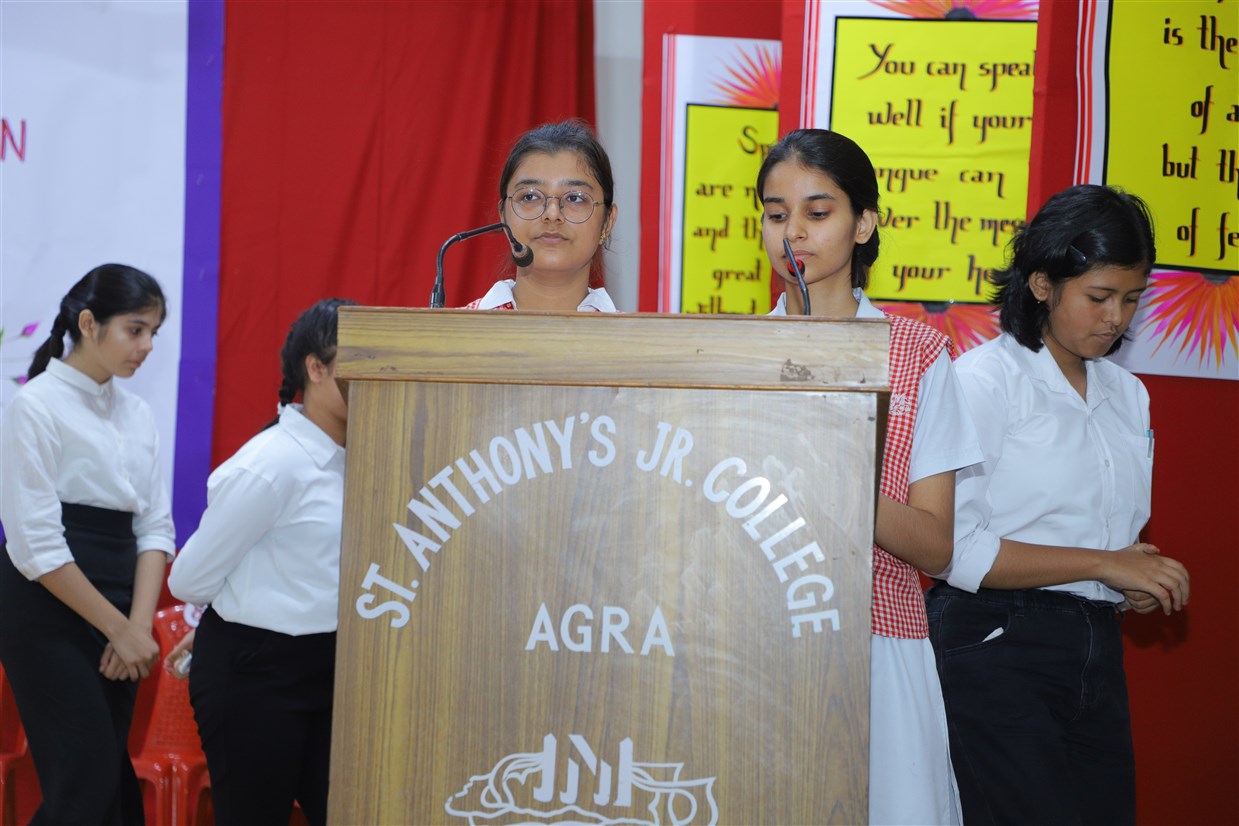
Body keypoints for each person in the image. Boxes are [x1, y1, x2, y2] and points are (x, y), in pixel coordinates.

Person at [926, 184, 1190, 825]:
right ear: (1042, 284)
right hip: (993, 640)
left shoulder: (1129, 394)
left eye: (1132, 298)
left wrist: (1129, 582)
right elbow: (953, 550)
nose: (1116, 317)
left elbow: (1109, 538)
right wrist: (1105, 564)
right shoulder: (983, 381)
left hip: (1094, 643)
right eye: (1099, 296)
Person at [757, 128, 981, 825]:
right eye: (775, 213)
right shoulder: (733, 351)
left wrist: (833, 473)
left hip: (878, 642)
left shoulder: (917, 354)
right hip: (751, 637)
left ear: (863, 224)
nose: (792, 232)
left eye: (817, 212)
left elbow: (936, 546)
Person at [167, 298, 356, 826]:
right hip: (254, 675)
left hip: (333, 665)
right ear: (316, 369)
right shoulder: (271, 464)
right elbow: (188, 579)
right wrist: (238, 609)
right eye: (357, 361)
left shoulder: (362, 456)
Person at [0, 263, 174, 824]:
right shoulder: (35, 405)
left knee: (108, 785)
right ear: (89, 324)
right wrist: (119, 629)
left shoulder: (138, 413)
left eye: (154, 333)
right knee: (85, 783)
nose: (147, 346)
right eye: (135, 329)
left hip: (121, 604)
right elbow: (36, 546)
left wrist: (137, 627)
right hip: (48, 605)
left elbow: (155, 528)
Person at [465, 119, 619, 311]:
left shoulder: (637, 331)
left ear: (607, 221)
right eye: (529, 196)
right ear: (503, 216)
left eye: (575, 198)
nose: (552, 214)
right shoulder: (447, 328)